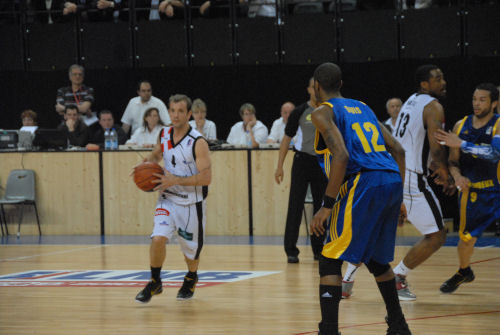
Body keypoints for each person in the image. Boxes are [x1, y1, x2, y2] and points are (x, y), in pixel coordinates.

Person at [310, 62, 410, 335]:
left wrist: (326, 206)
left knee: (330, 259)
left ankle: (329, 330)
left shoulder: (322, 113)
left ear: (317, 87)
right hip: (390, 178)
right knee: (377, 261)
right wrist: (398, 197)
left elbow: (341, 156)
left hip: (364, 181)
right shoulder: (363, 107)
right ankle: (399, 325)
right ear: (341, 84)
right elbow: (398, 150)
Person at [135, 94, 211, 303]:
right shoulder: (165, 133)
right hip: (167, 198)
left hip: (190, 203)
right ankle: (155, 281)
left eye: (180, 111)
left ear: (189, 114)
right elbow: (157, 154)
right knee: (158, 238)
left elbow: (206, 177)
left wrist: (175, 180)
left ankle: (191, 277)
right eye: (172, 110)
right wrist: (145, 163)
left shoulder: (198, 141)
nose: (175, 115)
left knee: (190, 251)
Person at [435, 83, 500, 294]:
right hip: (474, 191)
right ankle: (464, 271)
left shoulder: (498, 124)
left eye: (482, 100)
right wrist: (457, 176)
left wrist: (461, 144)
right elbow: (453, 162)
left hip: (497, 188)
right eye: (474, 99)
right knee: (466, 240)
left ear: (494, 103)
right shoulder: (461, 125)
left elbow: (494, 154)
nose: (477, 103)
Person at [274, 79, 326, 263]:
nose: (316, 90)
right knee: (295, 205)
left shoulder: (328, 110)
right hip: (302, 162)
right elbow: (287, 138)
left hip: (321, 163)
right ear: (308, 89)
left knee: (321, 207)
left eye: (319, 87)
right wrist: (280, 166)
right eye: (313, 87)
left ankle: (319, 250)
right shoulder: (300, 111)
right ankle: (291, 250)